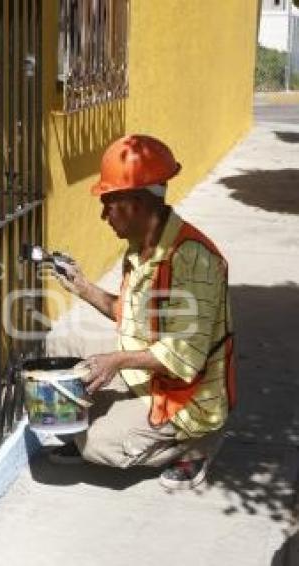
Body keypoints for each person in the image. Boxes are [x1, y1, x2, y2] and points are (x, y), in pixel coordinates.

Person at [46, 134, 236, 490]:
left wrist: (116, 361)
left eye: (109, 204)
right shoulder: (140, 247)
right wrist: (83, 287)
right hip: (150, 375)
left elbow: (185, 359)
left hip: (188, 395)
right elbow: (133, 316)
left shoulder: (194, 260)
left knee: (97, 445)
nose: (103, 215)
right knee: (62, 341)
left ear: (137, 203)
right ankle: (94, 430)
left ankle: (196, 443)